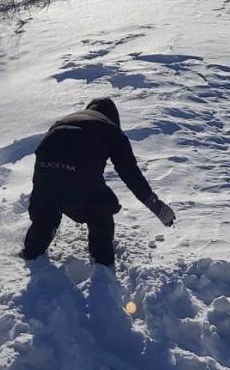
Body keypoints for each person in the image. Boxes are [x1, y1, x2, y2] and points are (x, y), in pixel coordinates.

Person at [22, 96, 176, 267]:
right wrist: (155, 204)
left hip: (45, 170)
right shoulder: (111, 129)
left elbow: (47, 157)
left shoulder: (63, 121)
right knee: (100, 208)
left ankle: (31, 254)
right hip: (78, 173)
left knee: (47, 207)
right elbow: (130, 173)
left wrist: (42, 196)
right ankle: (102, 264)